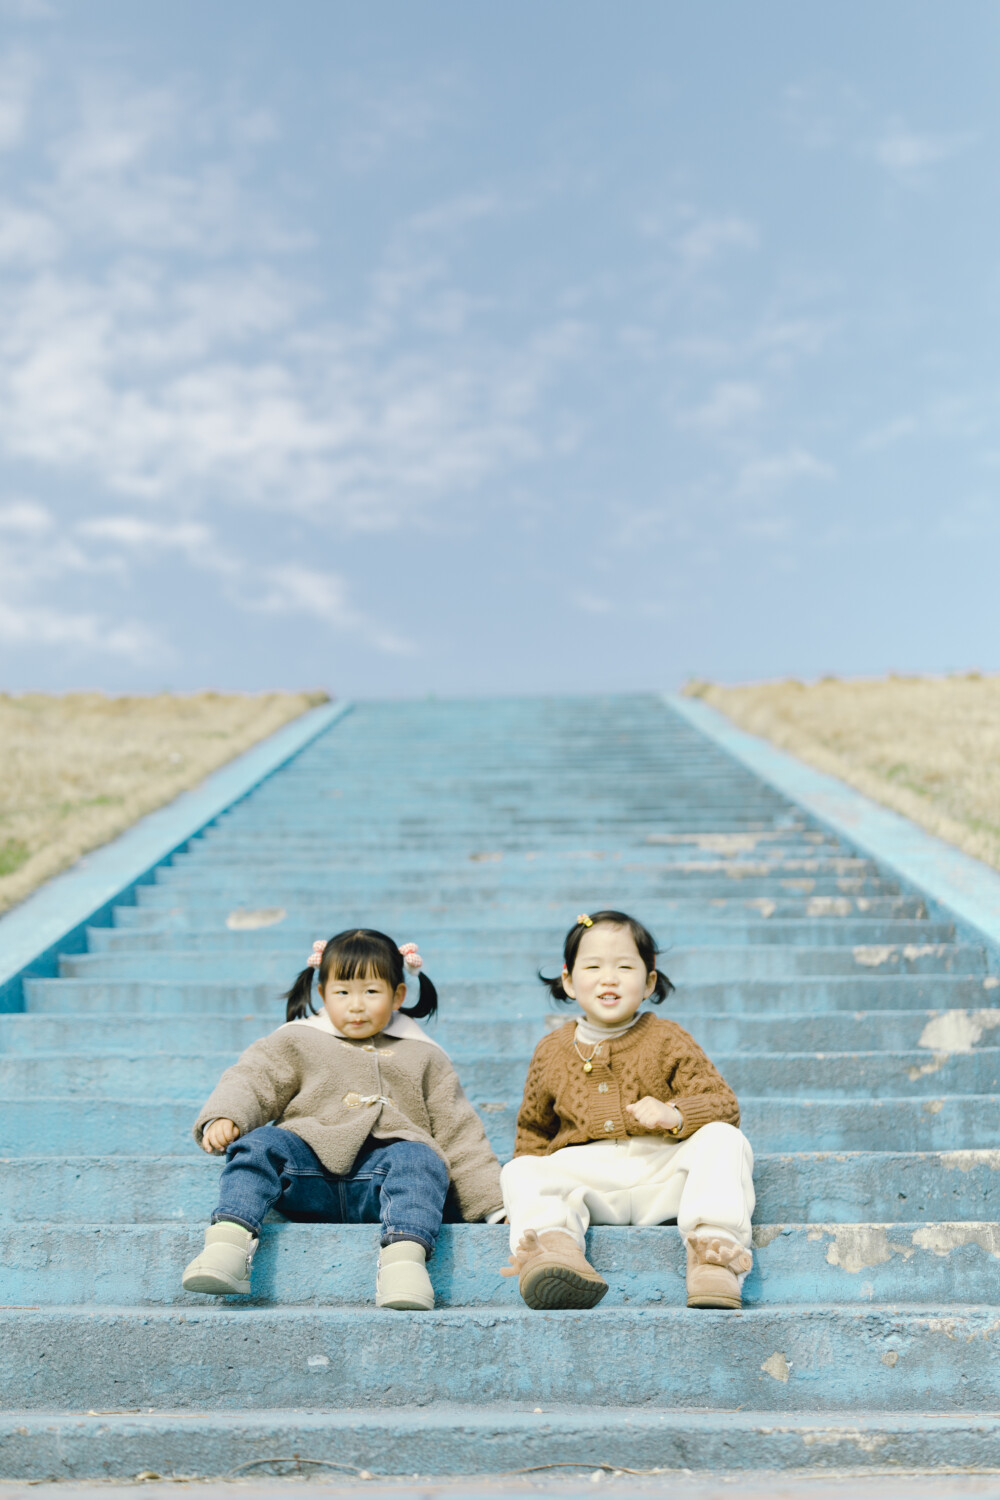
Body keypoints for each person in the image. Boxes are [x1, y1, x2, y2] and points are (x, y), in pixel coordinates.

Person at [182, 928, 503, 1310]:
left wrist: (493, 1204)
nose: (356, 1005)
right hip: (307, 1175)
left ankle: (404, 1262)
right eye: (342, 992)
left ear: (399, 995)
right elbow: (254, 1078)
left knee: (421, 1158)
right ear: (322, 994)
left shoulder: (424, 1056)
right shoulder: (298, 1040)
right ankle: (228, 1245)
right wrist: (226, 1114)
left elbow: (459, 1132)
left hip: (381, 1183)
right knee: (259, 1144)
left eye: (371, 992)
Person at [500, 910, 754, 1311]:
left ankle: (713, 1253)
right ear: (568, 981)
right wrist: (522, 1201)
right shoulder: (550, 1051)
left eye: (624, 966)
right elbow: (533, 1131)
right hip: (591, 1183)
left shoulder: (667, 1038)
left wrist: (676, 1114)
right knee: (520, 1169)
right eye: (593, 966)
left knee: (725, 1139)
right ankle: (555, 1248)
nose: (609, 977)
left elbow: (724, 1105)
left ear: (649, 981)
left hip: (662, 1174)